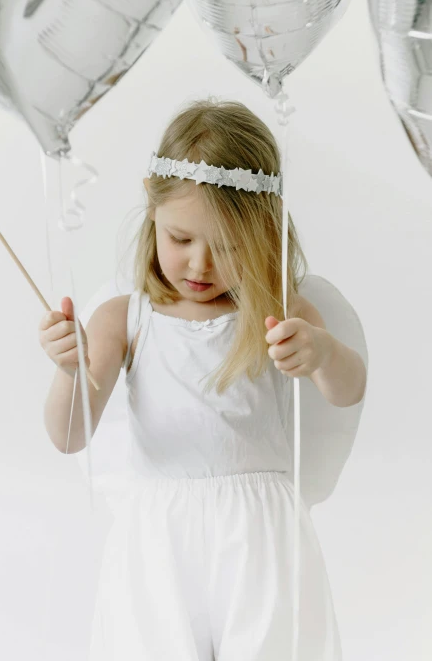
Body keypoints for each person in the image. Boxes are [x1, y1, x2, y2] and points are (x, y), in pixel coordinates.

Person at [38, 99, 367, 661]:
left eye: (229, 247)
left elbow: (348, 390)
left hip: (261, 536)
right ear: (151, 210)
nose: (199, 265)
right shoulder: (124, 318)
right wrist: (70, 370)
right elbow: (70, 436)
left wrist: (321, 353)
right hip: (158, 538)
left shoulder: (280, 309)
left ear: (266, 230)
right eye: (181, 239)